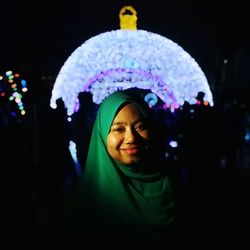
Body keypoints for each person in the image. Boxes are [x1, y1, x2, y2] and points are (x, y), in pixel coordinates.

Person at [61, 89, 190, 244]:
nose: (131, 138)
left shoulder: (172, 185)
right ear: (102, 135)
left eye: (140, 126)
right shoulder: (83, 201)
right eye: (118, 129)